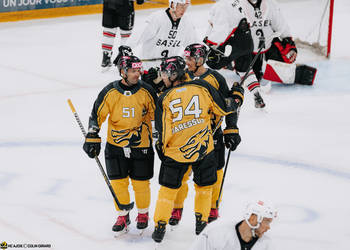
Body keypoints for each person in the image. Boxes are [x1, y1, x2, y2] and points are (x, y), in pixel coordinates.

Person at [151, 56, 244, 243]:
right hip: (203, 148)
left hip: (176, 152)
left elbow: (161, 130)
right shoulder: (203, 87)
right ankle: (201, 223)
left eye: (164, 74)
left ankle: (160, 225)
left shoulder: (164, 97)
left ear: (172, 74)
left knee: (168, 190)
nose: (162, 77)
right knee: (204, 187)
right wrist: (237, 95)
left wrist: (163, 149)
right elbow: (225, 108)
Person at [83, 52, 158, 233]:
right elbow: (97, 115)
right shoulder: (110, 92)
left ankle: (143, 213)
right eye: (133, 70)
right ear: (123, 71)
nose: (137, 74)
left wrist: (160, 138)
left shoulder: (147, 91)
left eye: (138, 70)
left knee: (141, 183)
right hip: (115, 146)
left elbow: (157, 116)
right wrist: (92, 135)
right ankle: (123, 214)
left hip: (142, 145)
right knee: (118, 182)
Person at [126, 0, 198, 69]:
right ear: (173, 4)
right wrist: (126, 48)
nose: (184, 10)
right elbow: (138, 36)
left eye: (186, 7)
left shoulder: (186, 22)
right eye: (182, 6)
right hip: (150, 69)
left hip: (171, 70)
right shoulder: (157, 18)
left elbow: (192, 44)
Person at [190, 200, 277, 250]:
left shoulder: (266, 243)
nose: (268, 227)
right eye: (267, 221)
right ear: (253, 218)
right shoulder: (216, 232)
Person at [101, 0, 144, 69]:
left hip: (108, 4)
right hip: (125, 5)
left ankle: (106, 56)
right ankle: (124, 57)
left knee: (109, 32)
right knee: (125, 34)